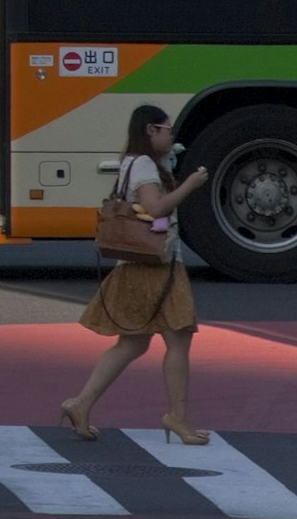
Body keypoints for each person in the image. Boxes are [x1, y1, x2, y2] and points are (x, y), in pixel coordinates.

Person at [63, 103, 210, 443]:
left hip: (135, 265)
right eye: (166, 129)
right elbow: (157, 208)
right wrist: (190, 183)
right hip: (157, 265)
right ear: (150, 131)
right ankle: (177, 417)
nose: (171, 135)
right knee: (178, 338)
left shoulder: (133, 162)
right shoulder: (144, 164)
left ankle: (81, 403)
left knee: (132, 342)